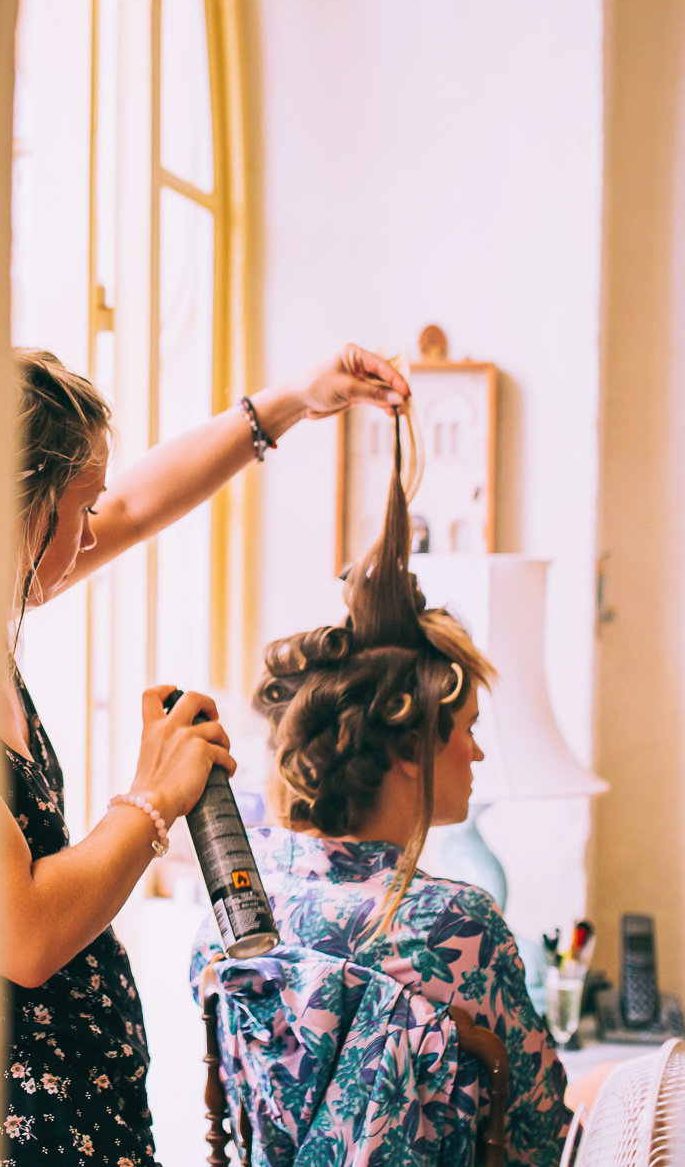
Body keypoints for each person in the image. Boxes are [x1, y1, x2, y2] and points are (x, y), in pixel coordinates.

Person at [0, 345, 409, 1166]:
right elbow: (28, 934)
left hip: (86, 1108)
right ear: (20, 507)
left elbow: (143, 505)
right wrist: (151, 799)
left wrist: (296, 399)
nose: (93, 534)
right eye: (78, 511)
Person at [187, 451, 569, 1166]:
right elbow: (537, 1131)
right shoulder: (457, 926)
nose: (477, 755)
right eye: (468, 729)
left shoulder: (235, 907)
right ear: (410, 749)